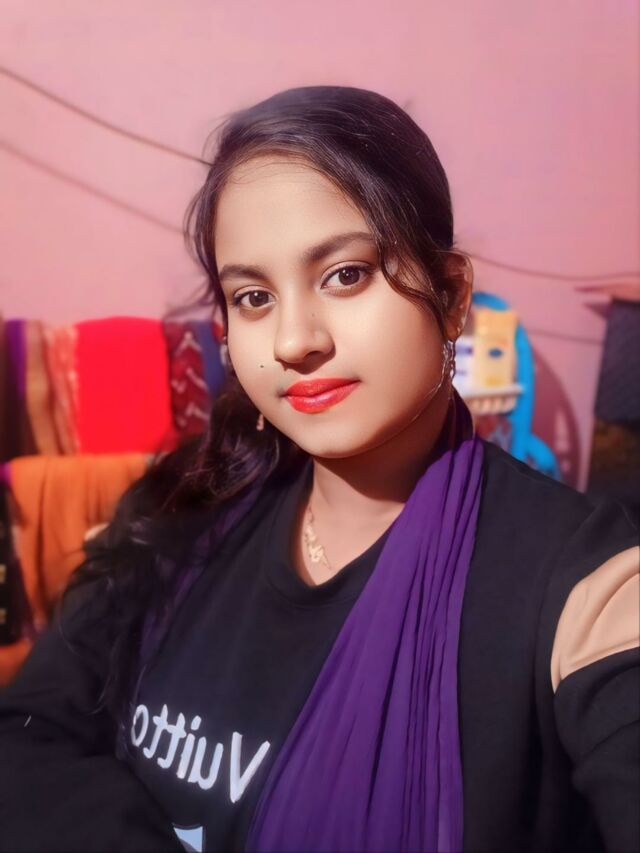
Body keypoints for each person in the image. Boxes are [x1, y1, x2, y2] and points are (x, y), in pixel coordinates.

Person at [0, 85, 638, 853]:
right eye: (253, 296)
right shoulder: (178, 511)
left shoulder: (581, 584)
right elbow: (25, 737)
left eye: (346, 274)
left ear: (451, 294)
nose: (294, 340)